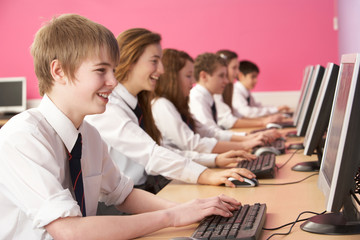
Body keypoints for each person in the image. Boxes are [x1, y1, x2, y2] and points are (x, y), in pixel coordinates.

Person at [0, 14, 243, 239]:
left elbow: (123, 194)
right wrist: (173, 216)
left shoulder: (89, 135)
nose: (113, 81)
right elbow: (70, 231)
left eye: (113, 70)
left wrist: (190, 209)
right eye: (100, 70)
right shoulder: (23, 137)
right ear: (59, 71)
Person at [86, 28, 257, 194]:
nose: (161, 70)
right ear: (130, 61)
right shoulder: (109, 107)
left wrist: (214, 160)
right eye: (154, 61)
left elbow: (162, 149)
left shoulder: (138, 103)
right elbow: (152, 154)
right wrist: (208, 173)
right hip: (120, 202)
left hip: (141, 190)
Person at [152, 48, 276, 154]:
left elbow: (209, 132)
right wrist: (244, 144)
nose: (227, 81)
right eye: (188, 76)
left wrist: (249, 138)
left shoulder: (180, 103)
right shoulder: (165, 104)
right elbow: (193, 144)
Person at [189, 53, 281, 145]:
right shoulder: (198, 98)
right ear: (204, 76)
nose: (226, 80)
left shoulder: (209, 96)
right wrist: (248, 139)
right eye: (221, 75)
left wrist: (250, 137)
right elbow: (210, 134)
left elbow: (213, 132)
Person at [214, 50, 285, 128]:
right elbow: (237, 116)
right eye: (234, 68)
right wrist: (263, 121)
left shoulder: (229, 89)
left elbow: (237, 115)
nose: (237, 72)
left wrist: (266, 119)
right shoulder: (221, 91)